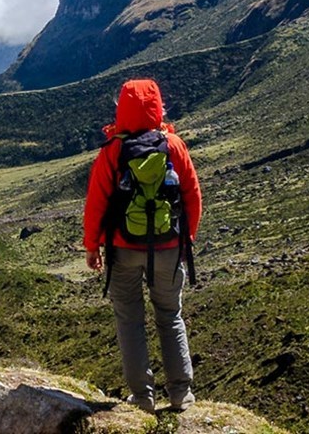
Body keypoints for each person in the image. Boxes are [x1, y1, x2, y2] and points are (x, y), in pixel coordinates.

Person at [83, 79, 202, 413]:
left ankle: (142, 398)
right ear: (157, 106)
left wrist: (93, 247)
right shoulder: (174, 145)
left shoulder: (112, 151)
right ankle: (181, 394)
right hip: (167, 247)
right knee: (170, 316)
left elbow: (96, 204)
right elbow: (192, 194)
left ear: (122, 108)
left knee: (130, 320)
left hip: (123, 250)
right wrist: (185, 239)